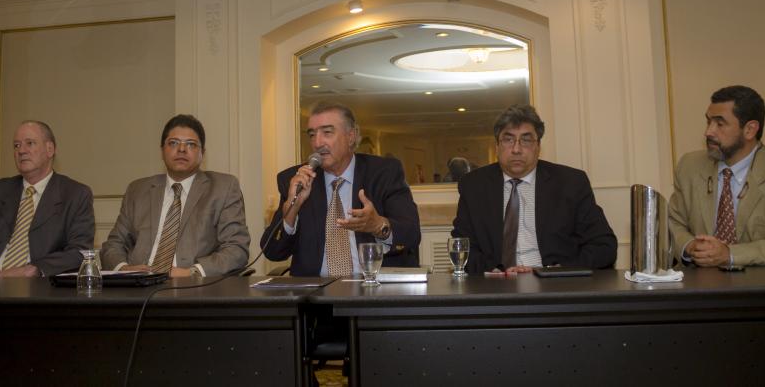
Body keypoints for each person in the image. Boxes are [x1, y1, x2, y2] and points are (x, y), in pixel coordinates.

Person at [452, 104, 617, 273]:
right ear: (497, 147)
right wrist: (494, 271)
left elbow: (604, 246)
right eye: (508, 140)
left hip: (553, 286)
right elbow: (462, 246)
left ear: (538, 146)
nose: (516, 149)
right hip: (497, 285)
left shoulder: (571, 183)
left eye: (526, 140)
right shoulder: (474, 186)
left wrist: (559, 271)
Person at [262, 102, 421, 276]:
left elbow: (411, 234)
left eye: (327, 132)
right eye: (312, 134)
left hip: (371, 289)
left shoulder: (384, 173)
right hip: (315, 293)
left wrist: (378, 225)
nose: (317, 142)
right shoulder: (296, 180)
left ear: (351, 136)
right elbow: (273, 252)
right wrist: (292, 208)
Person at [669, 85, 765, 267]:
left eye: (720, 123)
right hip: (699, 286)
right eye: (708, 122)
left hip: (761, 288)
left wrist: (730, 254)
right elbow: (673, 224)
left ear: (750, 129)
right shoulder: (689, 166)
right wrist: (689, 246)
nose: (708, 132)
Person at [100, 114, 250, 277]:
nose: (181, 149)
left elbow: (236, 249)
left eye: (191, 144)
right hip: (138, 285)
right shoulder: (138, 190)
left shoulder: (223, 188)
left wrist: (192, 272)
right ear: (162, 150)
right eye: (173, 143)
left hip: (193, 288)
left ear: (202, 153)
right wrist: (123, 269)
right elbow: (113, 245)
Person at [0, 121, 94, 277]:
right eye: (16, 145)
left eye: (29, 143)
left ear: (49, 149)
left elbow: (79, 252)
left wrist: (33, 270)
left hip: (40, 290)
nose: (21, 151)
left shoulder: (75, 194)